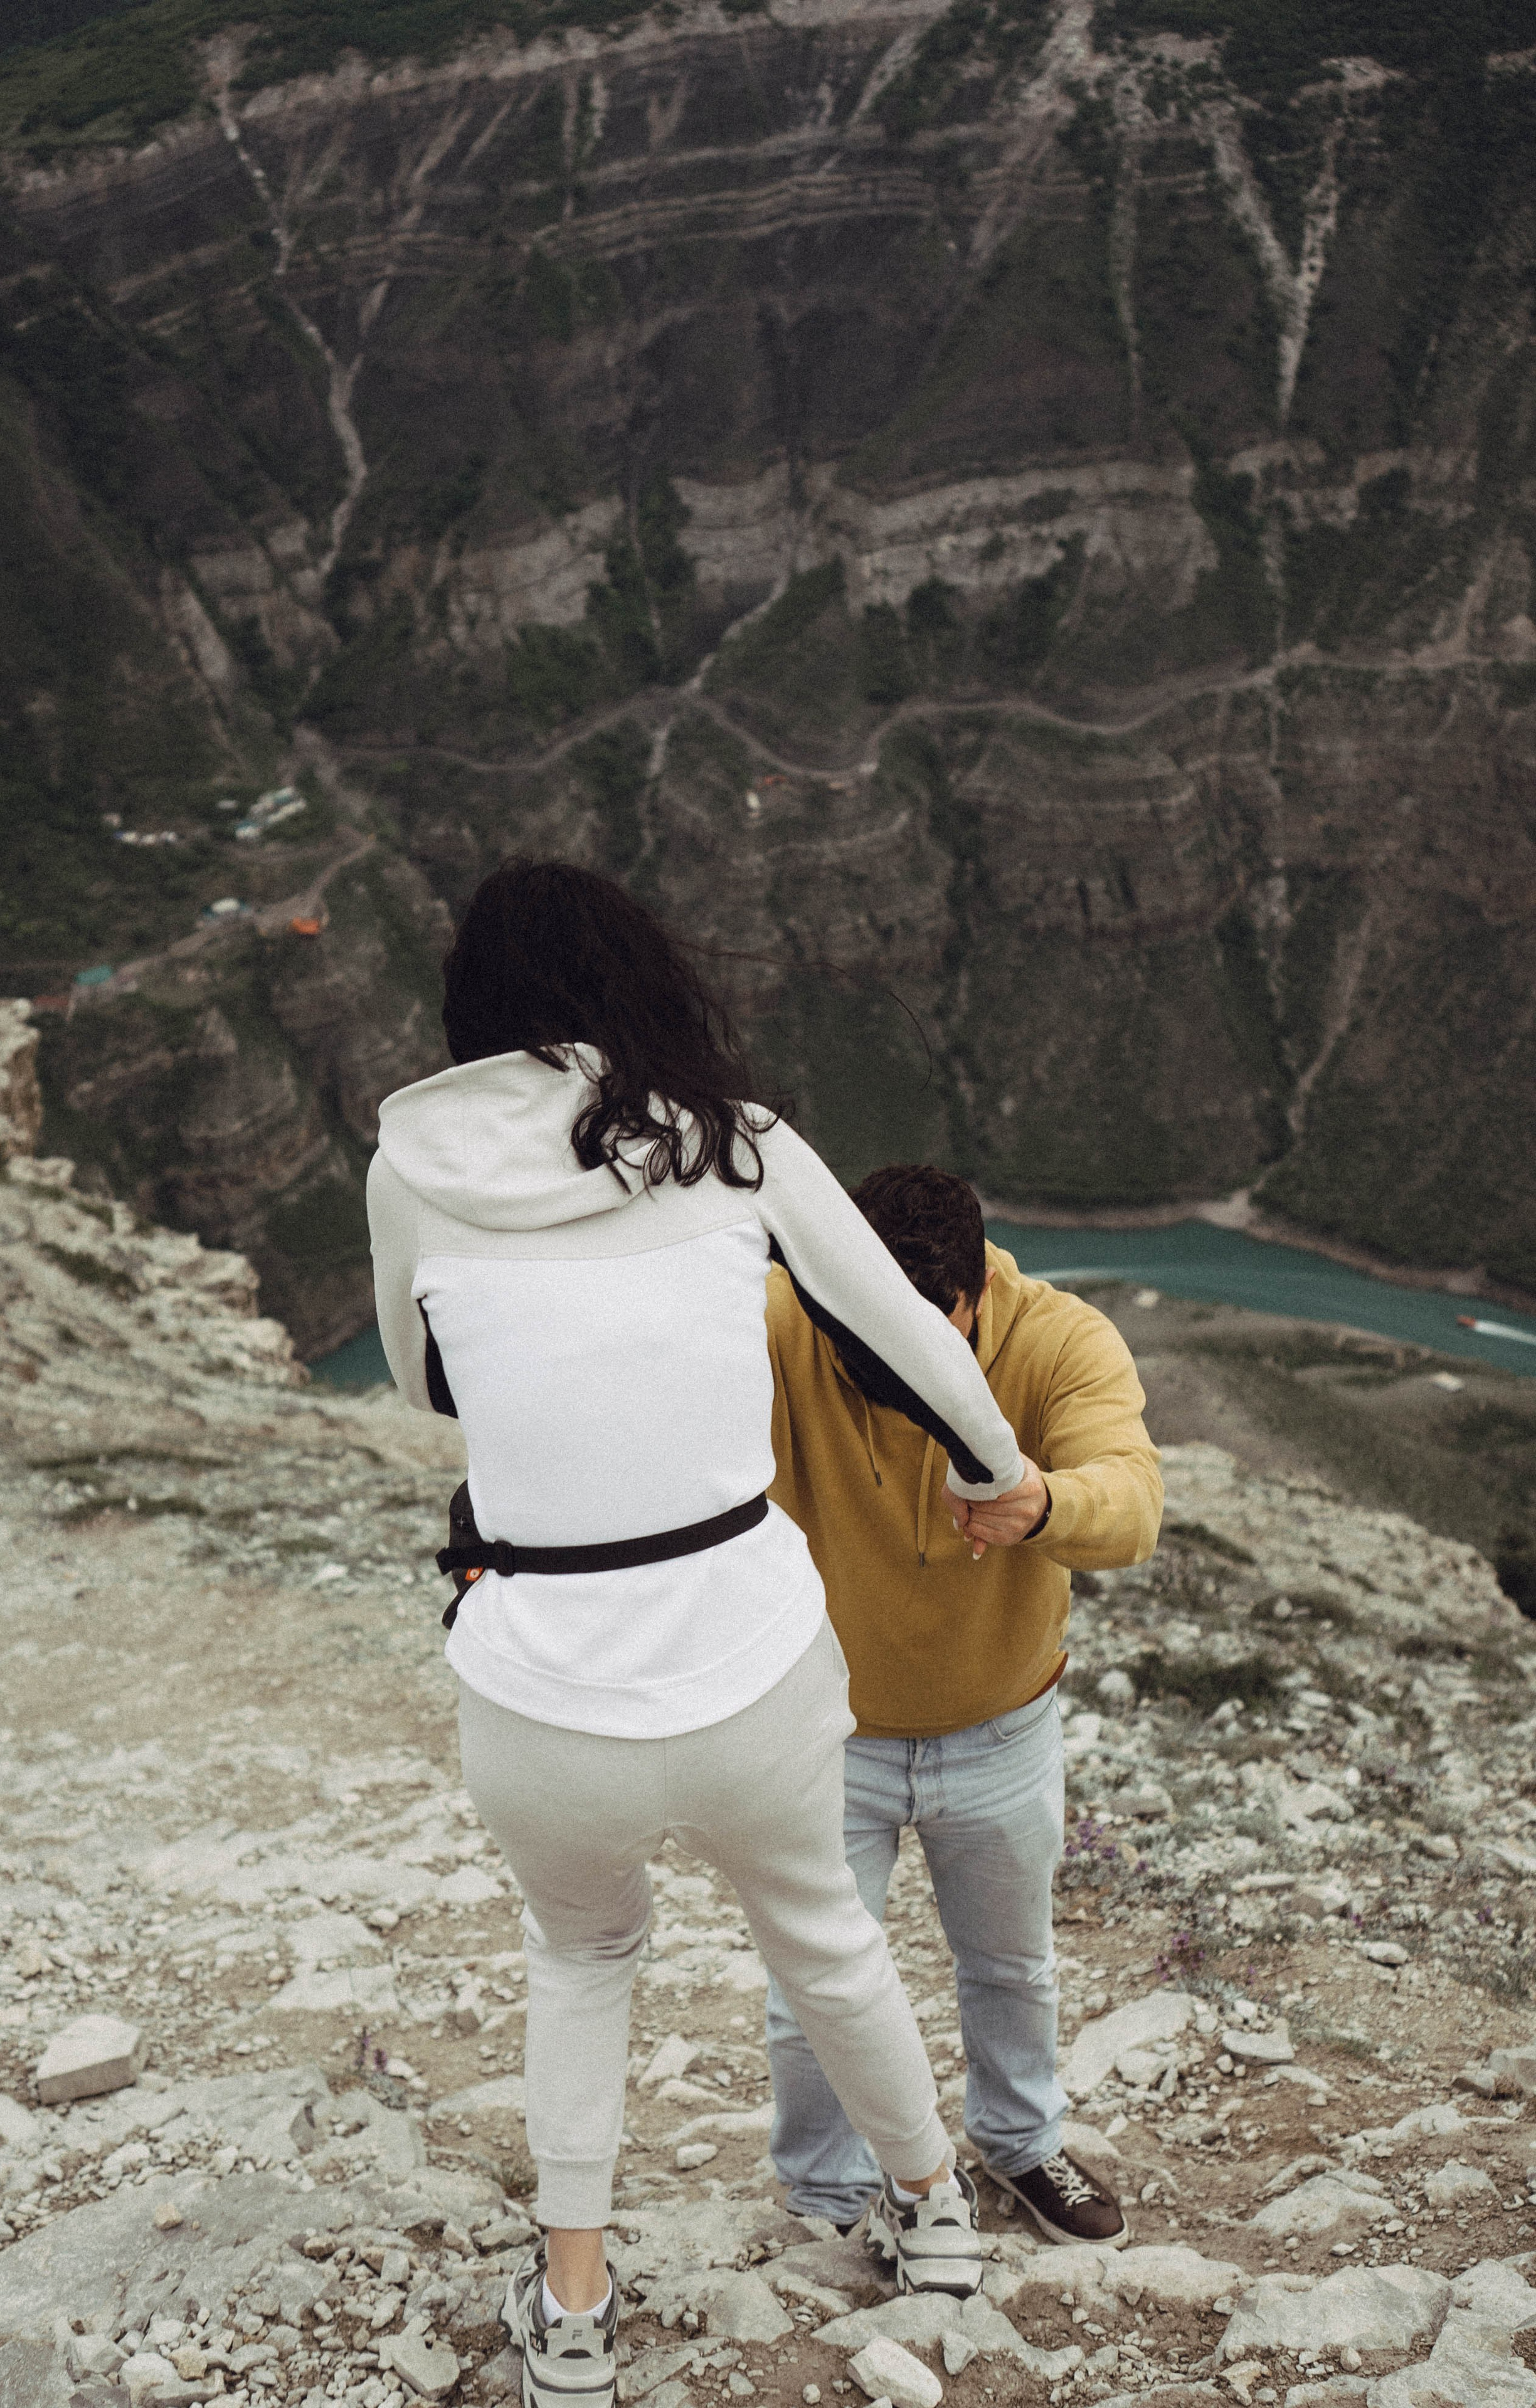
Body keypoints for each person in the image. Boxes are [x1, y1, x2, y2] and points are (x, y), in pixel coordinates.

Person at [367, 865, 1039, 2408]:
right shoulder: (736, 1144)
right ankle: (931, 2221)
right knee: (824, 1937)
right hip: (748, 1656)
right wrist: (998, 1476)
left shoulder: (411, 1170)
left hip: (540, 1683)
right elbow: (908, 1334)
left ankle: (578, 2313)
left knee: (581, 1960)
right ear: (639, 985)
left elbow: (423, 1383)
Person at [764, 1163, 1163, 2247]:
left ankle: (1023, 2145)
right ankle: (825, 2190)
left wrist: (1045, 1505)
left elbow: (1133, 1504)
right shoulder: (783, 1314)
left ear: (974, 1295)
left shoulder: (1059, 1339)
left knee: (1010, 1963)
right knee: (812, 1985)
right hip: (826, 1731)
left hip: (1003, 1725)